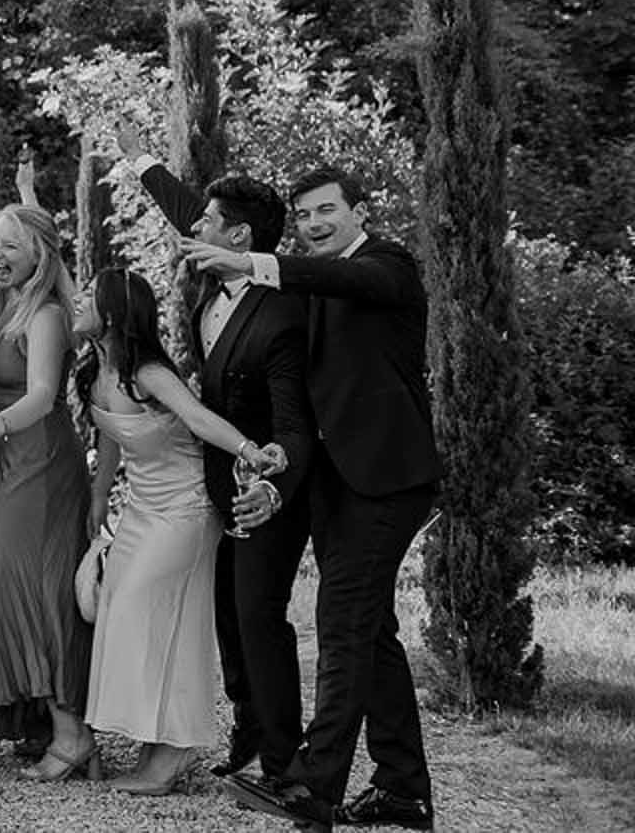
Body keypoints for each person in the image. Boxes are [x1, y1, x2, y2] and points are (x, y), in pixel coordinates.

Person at [185, 166, 441, 831]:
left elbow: (344, 278)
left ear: (359, 211)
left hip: (388, 479)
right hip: (335, 482)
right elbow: (306, 405)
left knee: (344, 626)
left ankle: (313, 787)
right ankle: (403, 791)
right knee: (371, 633)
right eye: (304, 216)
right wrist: (279, 465)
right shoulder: (313, 286)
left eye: (328, 210)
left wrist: (252, 258)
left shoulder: (388, 265)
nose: (316, 224)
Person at [115, 123, 317, 782]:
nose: (193, 226)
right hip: (212, 479)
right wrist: (140, 157)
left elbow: (292, 419)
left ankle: (285, 762)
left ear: (240, 238)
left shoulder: (282, 312)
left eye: (210, 220)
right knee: (228, 614)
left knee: (258, 615)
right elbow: (186, 210)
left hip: (267, 483)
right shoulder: (212, 271)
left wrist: (271, 482)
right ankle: (247, 728)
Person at [74, 268, 286, 795]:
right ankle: (156, 742)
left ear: (113, 313)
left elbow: (198, 418)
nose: (76, 301)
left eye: (88, 296)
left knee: (150, 612)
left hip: (187, 506)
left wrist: (248, 451)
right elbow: (115, 438)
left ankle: (173, 751)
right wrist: (100, 494)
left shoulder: (148, 372)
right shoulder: (93, 370)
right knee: (126, 614)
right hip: (141, 507)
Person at [0, 204, 95, 778]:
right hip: (9, 460)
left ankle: (72, 735)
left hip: (42, 459)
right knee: (9, 583)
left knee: (41, 590)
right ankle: (37, 720)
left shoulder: (47, 315)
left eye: (11, 245)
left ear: (40, 253)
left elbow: (40, 394)